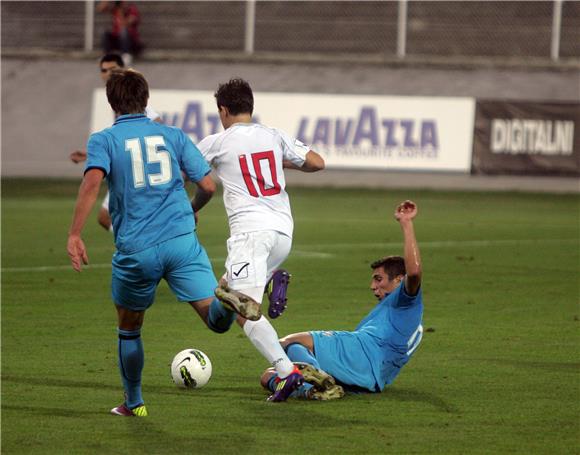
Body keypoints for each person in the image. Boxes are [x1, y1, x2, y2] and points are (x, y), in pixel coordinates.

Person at [67, 69, 258, 417]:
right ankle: (227, 295)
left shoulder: (103, 140)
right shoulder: (173, 135)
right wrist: (189, 210)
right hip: (180, 242)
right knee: (216, 322)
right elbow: (209, 186)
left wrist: (75, 233)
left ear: (112, 103)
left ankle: (134, 403)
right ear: (146, 99)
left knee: (129, 328)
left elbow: (92, 185)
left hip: (137, 251)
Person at [200, 78, 325, 402]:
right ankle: (269, 278)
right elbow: (316, 162)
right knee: (225, 296)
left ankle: (286, 373)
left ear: (223, 110)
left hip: (251, 236)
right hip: (282, 232)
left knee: (244, 310)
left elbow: (189, 172)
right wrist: (277, 163)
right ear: (250, 107)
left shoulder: (217, 142)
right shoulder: (272, 135)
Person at [260, 200, 424, 400]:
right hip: (369, 379)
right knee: (268, 375)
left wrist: (406, 223)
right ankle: (313, 390)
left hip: (360, 351)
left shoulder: (406, 301)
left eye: (378, 279)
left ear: (399, 280)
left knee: (287, 342)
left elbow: (414, 272)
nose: (373, 286)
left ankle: (321, 382)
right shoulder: (394, 314)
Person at [70, 53, 161, 232]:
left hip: (134, 171)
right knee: (106, 218)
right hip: (126, 169)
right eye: (104, 70)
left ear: (122, 70)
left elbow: (157, 126)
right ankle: (137, 243)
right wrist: (89, 155)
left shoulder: (132, 101)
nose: (108, 73)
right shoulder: (116, 100)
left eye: (113, 69)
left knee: (109, 216)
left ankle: (137, 244)